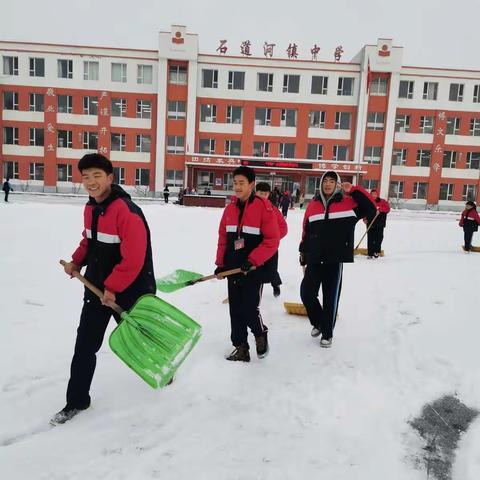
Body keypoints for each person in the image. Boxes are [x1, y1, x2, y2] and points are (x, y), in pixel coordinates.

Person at [51, 153, 156, 425]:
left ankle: (162, 367)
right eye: (85, 177)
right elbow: (89, 241)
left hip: (130, 290)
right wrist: (76, 261)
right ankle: (77, 400)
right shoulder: (91, 208)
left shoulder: (127, 211)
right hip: (98, 290)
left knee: (140, 337)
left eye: (96, 176)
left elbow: (133, 258)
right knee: (85, 344)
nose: (90, 182)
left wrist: (113, 288)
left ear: (110, 178)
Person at [299, 171, 376, 348]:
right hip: (314, 257)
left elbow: (371, 207)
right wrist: (303, 250)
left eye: (331, 181)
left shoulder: (348, 204)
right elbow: (306, 229)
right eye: (325, 181)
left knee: (330, 297)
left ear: (337, 184)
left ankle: (327, 333)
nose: (327, 184)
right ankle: (318, 321)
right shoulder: (313, 205)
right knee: (306, 293)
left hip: (335, 258)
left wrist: (354, 190)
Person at [215, 166, 280, 362]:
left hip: (254, 269)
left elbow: (272, 240)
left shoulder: (264, 208)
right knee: (235, 309)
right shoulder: (229, 209)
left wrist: (253, 260)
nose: (237, 186)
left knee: (248, 308)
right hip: (234, 268)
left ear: (251, 184)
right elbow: (223, 239)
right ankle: (241, 347)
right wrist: (221, 264)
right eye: (235, 183)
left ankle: (260, 334)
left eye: (241, 183)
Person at [255, 182, 288, 297]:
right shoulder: (250, 208)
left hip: (270, 247)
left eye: (265, 193)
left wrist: (272, 238)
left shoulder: (273, 210)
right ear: (256, 192)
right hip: (255, 246)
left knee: (271, 270)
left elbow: (283, 228)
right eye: (260, 193)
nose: (263, 196)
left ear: (269, 194)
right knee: (255, 270)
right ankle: (253, 294)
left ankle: (276, 285)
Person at [365, 189, 391, 259]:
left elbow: (387, 209)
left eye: (375, 194)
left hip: (380, 223)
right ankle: (370, 253)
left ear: (377, 194)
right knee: (370, 238)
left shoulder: (382, 201)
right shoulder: (368, 202)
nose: (373, 195)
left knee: (379, 238)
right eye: (372, 194)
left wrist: (380, 209)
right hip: (370, 223)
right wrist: (364, 219)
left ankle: (376, 251)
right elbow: (364, 211)